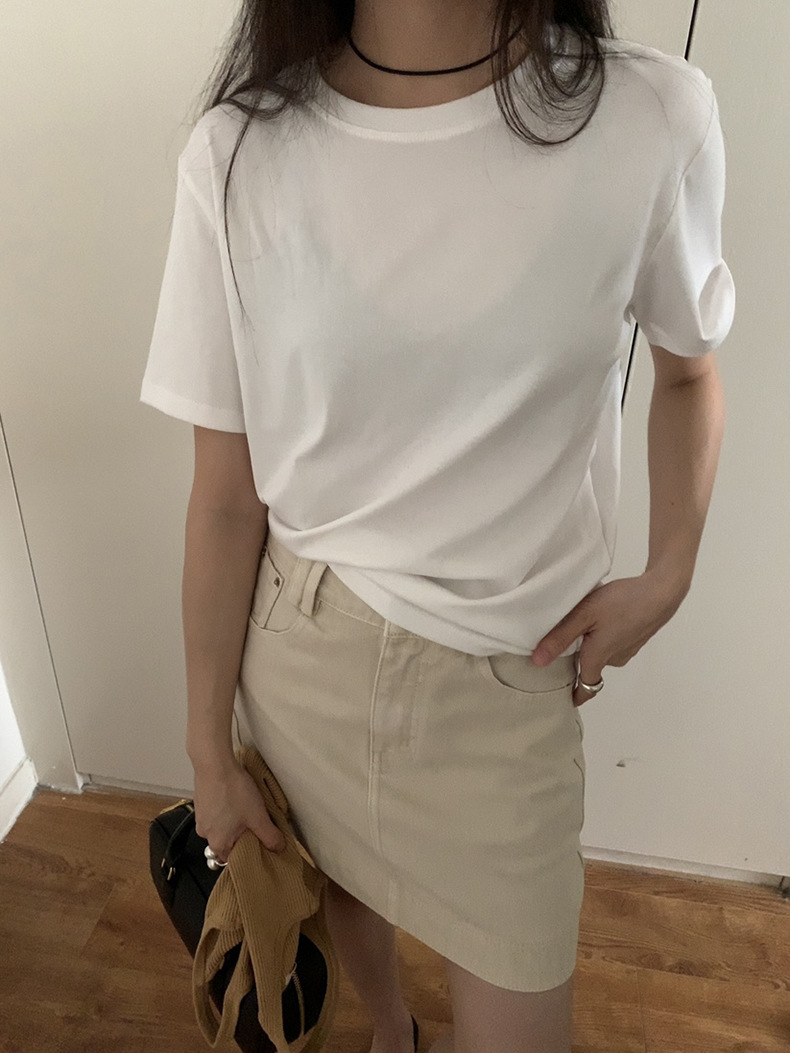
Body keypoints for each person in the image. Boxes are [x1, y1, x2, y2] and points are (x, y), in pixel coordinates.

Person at [140, 2, 733, 1051]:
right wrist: (206, 751)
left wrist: (671, 572)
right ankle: (392, 1030)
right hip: (300, 662)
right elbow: (227, 498)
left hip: (503, 697)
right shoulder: (238, 154)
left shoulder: (649, 117)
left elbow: (689, 374)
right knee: (343, 899)